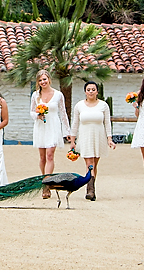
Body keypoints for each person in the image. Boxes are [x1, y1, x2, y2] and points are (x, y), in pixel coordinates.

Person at [69, 80, 115, 201]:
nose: (91, 92)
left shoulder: (103, 105)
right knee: (89, 163)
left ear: (97, 92)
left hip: (99, 136)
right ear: (85, 92)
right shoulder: (79, 105)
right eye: (88, 90)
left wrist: (109, 139)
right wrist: (72, 140)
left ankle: (91, 186)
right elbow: (75, 123)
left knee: (94, 164)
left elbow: (107, 123)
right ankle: (90, 190)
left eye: (93, 89)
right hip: (85, 136)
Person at [30, 71, 70, 199]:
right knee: (42, 157)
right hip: (41, 126)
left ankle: (47, 185)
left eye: (44, 79)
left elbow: (63, 113)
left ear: (49, 79)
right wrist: (37, 115)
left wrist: (67, 131)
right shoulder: (35, 95)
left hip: (53, 125)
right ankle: (45, 180)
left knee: (50, 155)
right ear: (38, 82)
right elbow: (31, 111)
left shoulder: (58, 95)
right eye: (40, 80)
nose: (43, 82)